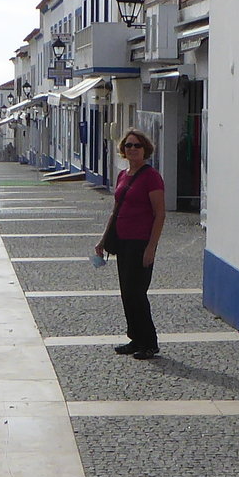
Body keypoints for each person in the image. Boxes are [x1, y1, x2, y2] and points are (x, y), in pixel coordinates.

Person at [93, 129, 166, 359]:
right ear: (123, 149)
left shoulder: (151, 177)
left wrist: (151, 247)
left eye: (137, 145)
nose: (132, 149)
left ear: (145, 149)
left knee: (137, 293)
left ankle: (149, 342)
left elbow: (160, 213)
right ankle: (135, 338)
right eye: (128, 145)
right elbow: (116, 210)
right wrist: (103, 239)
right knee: (126, 292)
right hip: (122, 241)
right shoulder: (123, 175)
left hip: (140, 242)